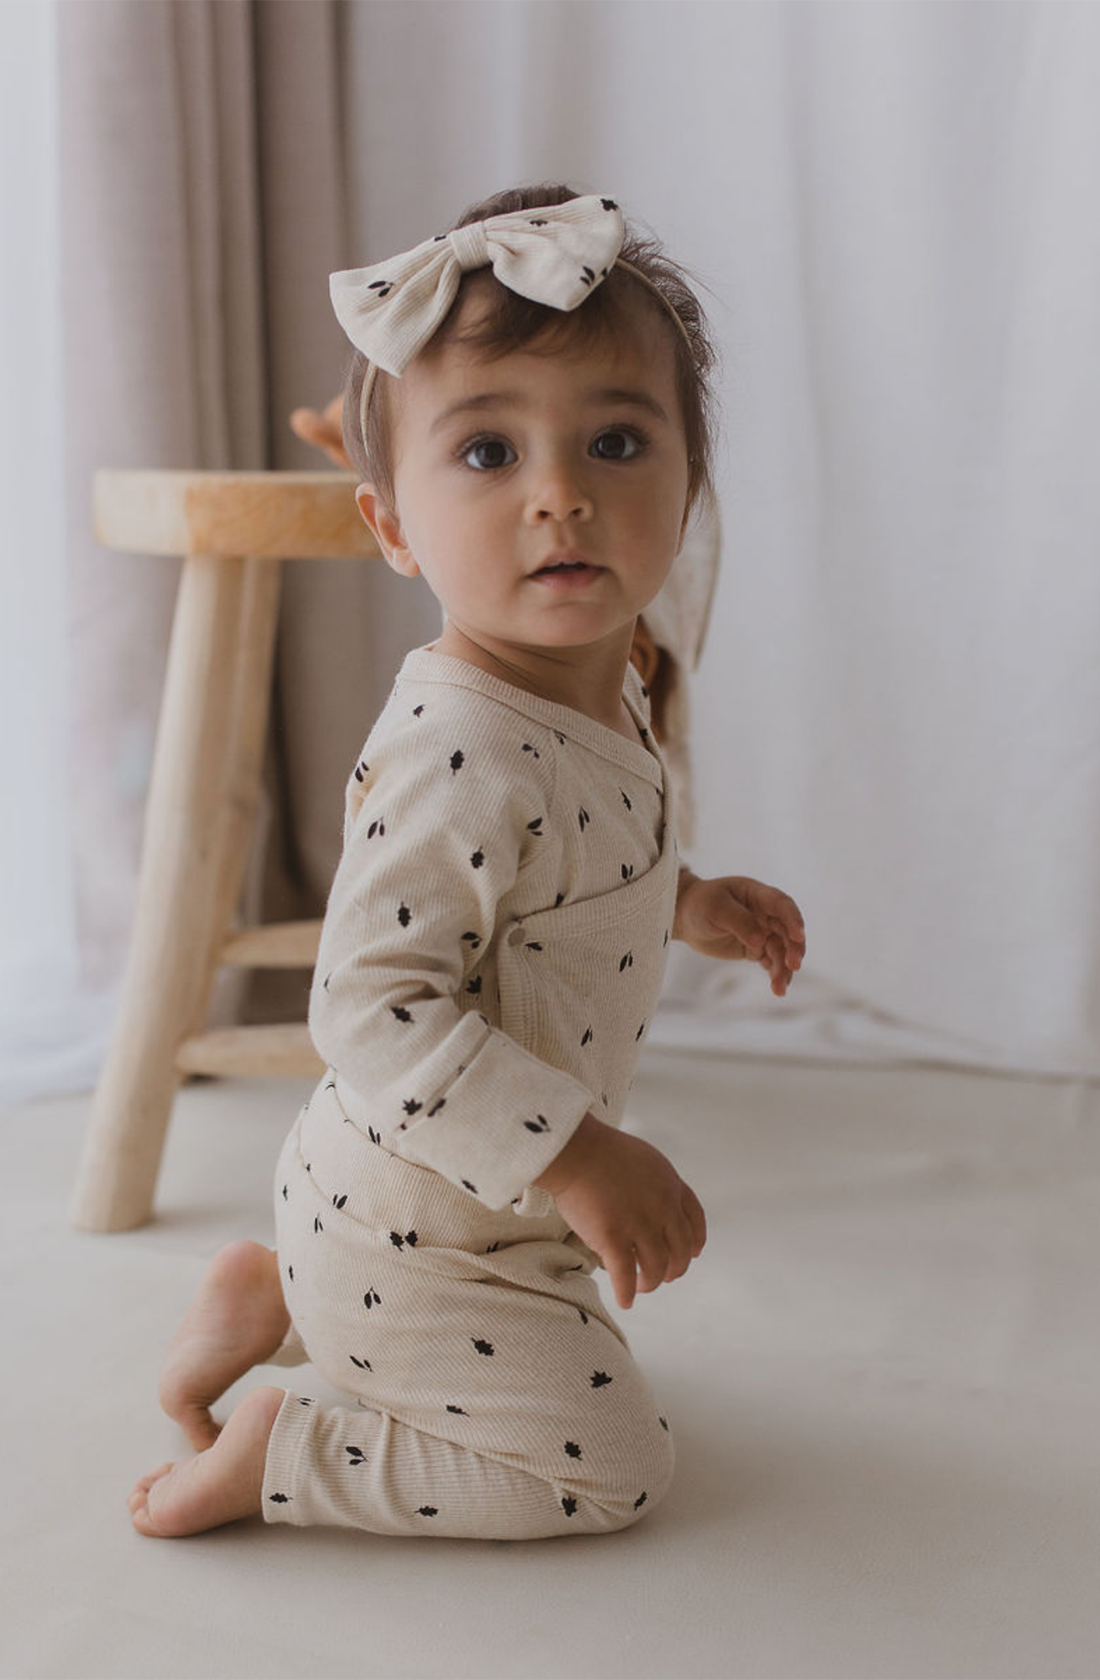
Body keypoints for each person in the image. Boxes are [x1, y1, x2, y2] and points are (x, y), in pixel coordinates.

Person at [128, 183, 806, 1541]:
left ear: (689, 488)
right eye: (489, 455)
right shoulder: (461, 750)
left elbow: (555, 876)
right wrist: (575, 1155)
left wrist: (682, 899)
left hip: (468, 1205)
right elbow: (371, 1008)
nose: (561, 496)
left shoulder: (599, 680)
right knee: (605, 1472)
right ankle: (286, 1442)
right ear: (392, 526)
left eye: (615, 441)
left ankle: (275, 1300)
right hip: (426, 1234)